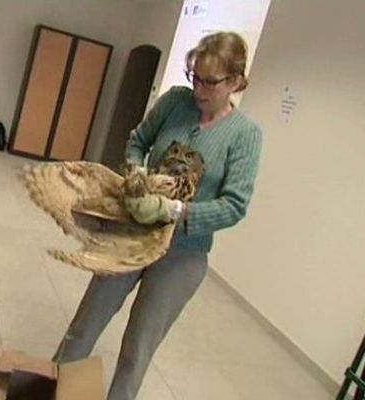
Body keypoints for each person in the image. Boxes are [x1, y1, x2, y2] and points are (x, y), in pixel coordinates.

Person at [52, 32, 263, 400]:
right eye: (194, 76)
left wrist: (176, 210)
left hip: (183, 255)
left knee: (137, 350)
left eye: (209, 82)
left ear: (235, 81)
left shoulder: (245, 135)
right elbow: (138, 141)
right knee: (84, 326)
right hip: (132, 235)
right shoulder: (175, 102)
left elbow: (235, 205)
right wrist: (135, 175)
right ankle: (52, 390)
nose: (198, 89)